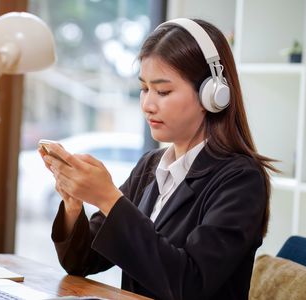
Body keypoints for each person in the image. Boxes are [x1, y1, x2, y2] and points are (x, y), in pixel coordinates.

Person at [39, 18, 277, 300]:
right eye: (144, 89)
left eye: (163, 91)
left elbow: (188, 285)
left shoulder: (241, 180)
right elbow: (81, 262)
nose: (148, 105)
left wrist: (108, 198)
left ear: (213, 94)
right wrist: (72, 202)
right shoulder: (150, 167)